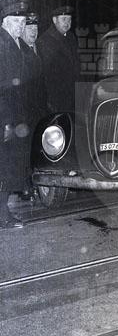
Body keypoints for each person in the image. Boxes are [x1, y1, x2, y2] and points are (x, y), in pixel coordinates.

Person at [0, 0, 32, 227]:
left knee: (8, 166)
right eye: (17, 22)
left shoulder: (14, 43)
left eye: (23, 22)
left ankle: (4, 214)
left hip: (12, 115)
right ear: (5, 22)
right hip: (5, 117)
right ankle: (3, 216)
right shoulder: (3, 44)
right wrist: (6, 122)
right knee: (4, 167)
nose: (21, 26)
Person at [20, 12, 48, 199]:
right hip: (26, 110)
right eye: (29, 28)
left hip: (40, 108)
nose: (33, 31)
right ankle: (26, 187)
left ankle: (37, 184)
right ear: (22, 30)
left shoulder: (40, 48)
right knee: (25, 149)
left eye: (35, 28)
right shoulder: (20, 52)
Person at [37, 5, 80, 113]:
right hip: (56, 98)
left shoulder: (71, 37)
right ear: (54, 20)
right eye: (64, 19)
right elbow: (46, 75)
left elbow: (75, 64)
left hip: (72, 94)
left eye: (69, 19)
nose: (67, 23)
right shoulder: (45, 41)